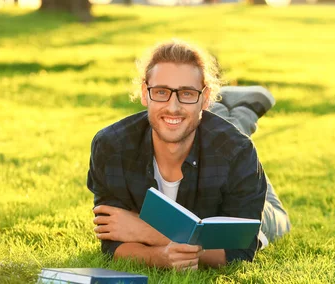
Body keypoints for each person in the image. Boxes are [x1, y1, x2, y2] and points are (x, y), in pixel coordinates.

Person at [87, 39, 290, 270]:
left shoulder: (237, 152)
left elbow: (239, 251)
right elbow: (113, 243)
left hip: (231, 163)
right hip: (210, 136)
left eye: (186, 93)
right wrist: (162, 257)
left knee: (278, 220)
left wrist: (151, 233)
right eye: (161, 92)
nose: (172, 106)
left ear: (204, 97)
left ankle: (241, 110)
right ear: (145, 93)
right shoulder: (111, 146)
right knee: (192, 124)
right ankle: (232, 109)